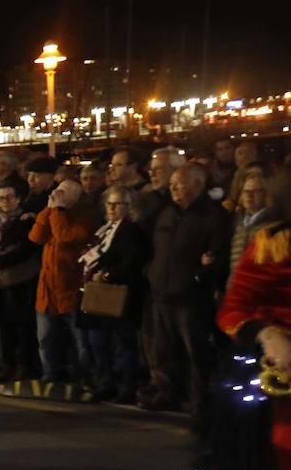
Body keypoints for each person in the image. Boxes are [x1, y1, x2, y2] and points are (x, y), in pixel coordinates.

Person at [212, 167, 291, 470]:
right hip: (276, 372)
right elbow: (234, 307)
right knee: (260, 463)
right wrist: (268, 334)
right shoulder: (272, 243)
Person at [139, 163, 231, 412]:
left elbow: (218, 256)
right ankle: (167, 390)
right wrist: (152, 272)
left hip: (191, 296)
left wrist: (198, 277)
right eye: (172, 185)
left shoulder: (213, 216)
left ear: (198, 184)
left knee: (195, 351)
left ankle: (200, 398)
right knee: (163, 349)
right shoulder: (166, 213)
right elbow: (153, 247)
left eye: (179, 184)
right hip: (161, 292)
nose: (174, 189)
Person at [77, 187, 149, 403]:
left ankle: (126, 386)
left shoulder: (130, 230)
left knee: (123, 343)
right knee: (98, 341)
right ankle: (105, 382)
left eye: (118, 204)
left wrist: (107, 274)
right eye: (109, 204)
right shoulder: (104, 229)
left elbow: (132, 261)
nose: (112, 208)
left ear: (129, 207)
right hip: (98, 294)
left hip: (118, 294)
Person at [29, 178, 96, 385]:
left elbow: (65, 236)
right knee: (45, 338)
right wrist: (49, 211)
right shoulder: (53, 214)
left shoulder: (83, 217)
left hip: (70, 289)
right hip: (47, 290)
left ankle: (85, 377)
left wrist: (57, 211)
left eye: (62, 192)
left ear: (75, 196)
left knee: (80, 341)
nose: (56, 194)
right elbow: (36, 237)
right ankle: (50, 374)